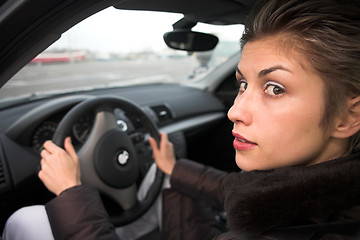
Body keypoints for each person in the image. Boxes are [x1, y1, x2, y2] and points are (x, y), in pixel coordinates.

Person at [3, 0, 360, 239]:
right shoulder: (309, 197)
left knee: (26, 222)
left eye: (275, 88)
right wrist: (175, 169)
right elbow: (237, 191)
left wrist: (71, 191)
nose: (235, 111)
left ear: (349, 115)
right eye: (242, 84)